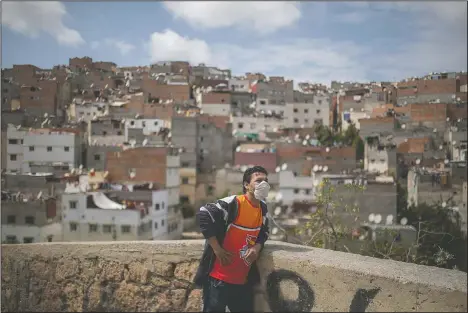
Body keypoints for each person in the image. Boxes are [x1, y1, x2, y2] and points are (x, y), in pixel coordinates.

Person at [194, 166, 270, 312]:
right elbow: (204, 215)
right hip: (218, 280)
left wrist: (257, 247)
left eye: (266, 180)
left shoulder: (263, 208)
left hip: (243, 281)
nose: (264, 184)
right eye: (258, 180)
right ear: (246, 185)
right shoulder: (233, 204)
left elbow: (264, 232)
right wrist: (217, 250)